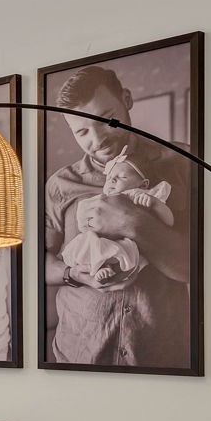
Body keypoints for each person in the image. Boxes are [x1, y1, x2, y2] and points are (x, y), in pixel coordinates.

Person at [42, 66, 191, 369]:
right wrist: (76, 275)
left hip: (160, 357)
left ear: (126, 98)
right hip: (78, 352)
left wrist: (130, 221)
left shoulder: (182, 164)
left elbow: (194, 268)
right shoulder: (60, 184)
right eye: (82, 132)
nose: (97, 139)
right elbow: (34, 265)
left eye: (105, 119)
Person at [59, 150, 175, 285]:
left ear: (143, 184)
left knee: (127, 252)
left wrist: (155, 204)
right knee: (87, 242)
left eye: (122, 177)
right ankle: (98, 268)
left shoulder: (143, 196)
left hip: (129, 241)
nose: (112, 180)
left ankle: (111, 270)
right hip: (103, 238)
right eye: (109, 178)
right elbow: (85, 220)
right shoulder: (103, 199)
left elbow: (169, 222)